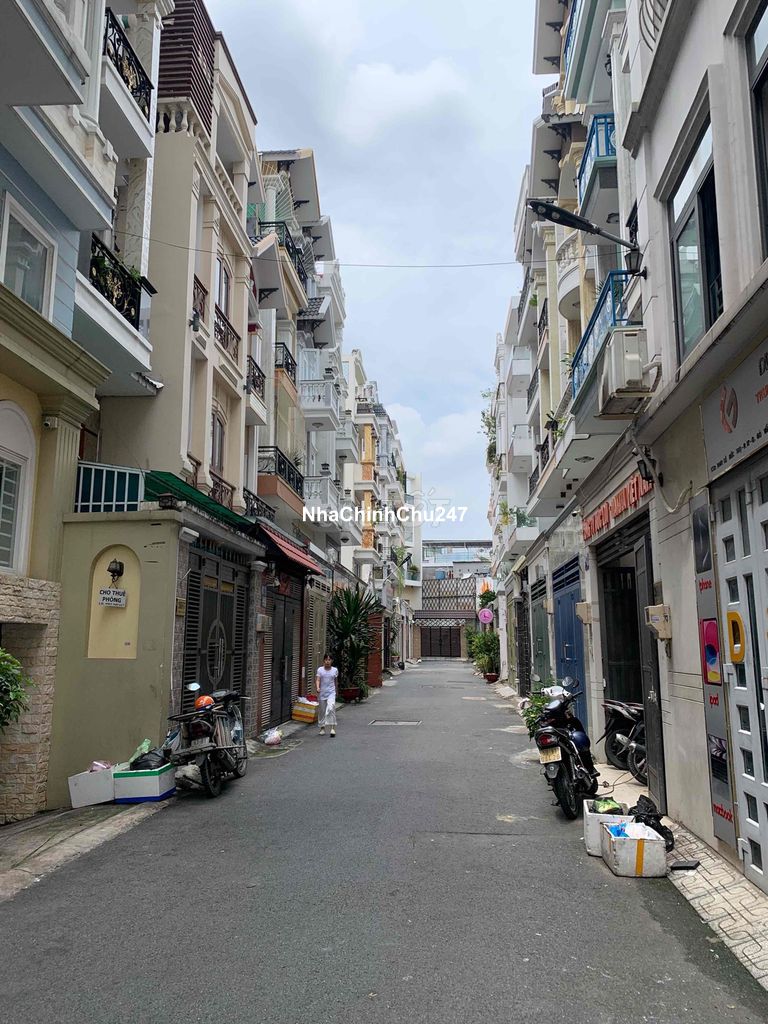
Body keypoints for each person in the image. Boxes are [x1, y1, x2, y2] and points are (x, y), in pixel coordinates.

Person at [315, 652, 338, 737]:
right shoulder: (320, 670)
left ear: (332, 661)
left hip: (331, 692)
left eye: (329, 659)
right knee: (322, 711)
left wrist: (336, 691)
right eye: (326, 659)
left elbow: (335, 681)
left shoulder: (335, 670)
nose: (327, 661)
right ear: (323, 660)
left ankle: (332, 728)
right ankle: (322, 728)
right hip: (322, 692)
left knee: (331, 708)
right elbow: (318, 680)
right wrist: (318, 687)